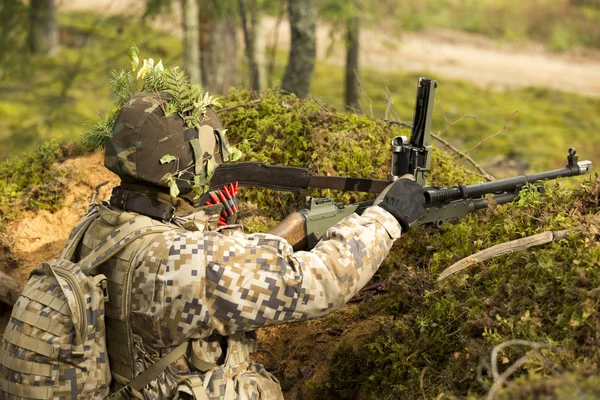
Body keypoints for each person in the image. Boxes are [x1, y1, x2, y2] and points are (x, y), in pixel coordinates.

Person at [77, 91, 425, 399]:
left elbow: (211, 272)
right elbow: (322, 281)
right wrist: (386, 219)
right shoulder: (181, 262)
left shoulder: (93, 228)